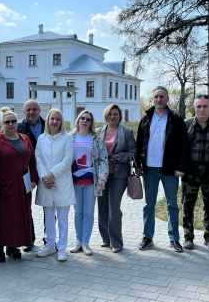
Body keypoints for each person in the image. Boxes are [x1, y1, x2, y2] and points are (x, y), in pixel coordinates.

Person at [135, 86, 188, 252]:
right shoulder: (145, 119)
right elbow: (139, 145)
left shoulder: (176, 119)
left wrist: (180, 167)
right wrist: (138, 166)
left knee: (172, 204)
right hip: (149, 168)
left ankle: (174, 238)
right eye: (156, 96)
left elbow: (184, 145)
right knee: (148, 204)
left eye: (162, 96)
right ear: (152, 99)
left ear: (167, 99)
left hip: (170, 169)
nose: (159, 99)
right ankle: (147, 236)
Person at [0, 107, 38, 262]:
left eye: (13, 121)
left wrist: (34, 179)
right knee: (2, 218)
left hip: (22, 186)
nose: (10, 124)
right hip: (3, 186)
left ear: (17, 122)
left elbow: (32, 160)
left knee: (19, 217)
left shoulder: (24, 139)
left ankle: (13, 246)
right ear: (2, 124)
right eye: (7, 122)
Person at [182, 95, 209, 251]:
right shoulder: (186, 125)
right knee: (187, 205)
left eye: (205, 106)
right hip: (190, 171)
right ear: (194, 107)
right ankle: (188, 237)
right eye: (198, 106)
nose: (201, 109)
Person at [34, 109, 75, 261]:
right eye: (52, 119)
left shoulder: (66, 138)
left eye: (58, 119)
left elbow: (68, 159)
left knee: (63, 218)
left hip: (62, 182)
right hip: (46, 183)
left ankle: (62, 247)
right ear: (48, 120)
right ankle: (50, 244)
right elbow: (38, 158)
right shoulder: (41, 138)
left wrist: (53, 175)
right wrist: (45, 177)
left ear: (61, 121)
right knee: (49, 216)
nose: (54, 122)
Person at [96, 104, 137, 252]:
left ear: (119, 116)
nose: (112, 117)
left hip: (118, 175)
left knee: (114, 206)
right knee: (102, 207)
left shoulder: (126, 132)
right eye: (109, 114)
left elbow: (133, 152)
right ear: (105, 116)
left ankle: (117, 241)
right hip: (101, 176)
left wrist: (122, 156)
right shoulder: (98, 131)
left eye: (115, 114)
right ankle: (105, 238)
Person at [69, 110, 108, 256]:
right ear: (78, 120)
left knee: (89, 213)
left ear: (91, 123)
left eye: (88, 119)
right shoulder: (70, 137)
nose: (84, 121)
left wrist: (101, 181)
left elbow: (103, 160)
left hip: (91, 181)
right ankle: (78, 241)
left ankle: (85, 242)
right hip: (74, 181)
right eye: (82, 118)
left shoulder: (96, 139)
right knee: (77, 212)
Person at [17, 99, 45, 251]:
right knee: (25, 207)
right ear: (24, 112)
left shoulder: (49, 124)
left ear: (39, 111)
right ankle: (29, 238)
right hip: (26, 171)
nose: (31, 112)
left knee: (49, 206)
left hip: (47, 171)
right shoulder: (19, 127)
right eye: (28, 109)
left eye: (34, 109)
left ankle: (49, 238)